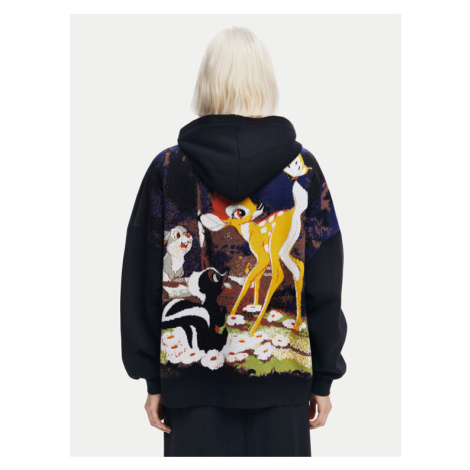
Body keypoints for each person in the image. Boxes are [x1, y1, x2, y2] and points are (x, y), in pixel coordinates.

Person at [120, 26, 347, 457]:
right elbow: (325, 281)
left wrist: (151, 377)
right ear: (265, 82)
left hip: (191, 391)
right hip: (282, 390)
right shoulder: (302, 170)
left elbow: (141, 280)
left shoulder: (167, 169)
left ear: (207, 82)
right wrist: (324, 376)